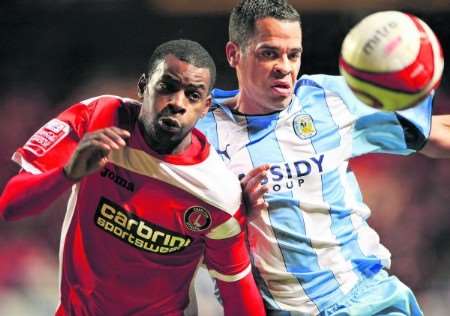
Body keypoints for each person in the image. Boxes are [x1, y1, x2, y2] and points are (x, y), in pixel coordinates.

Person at [196, 1, 450, 315]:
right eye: (269, 53)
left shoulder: (329, 98)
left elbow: (437, 134)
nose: (284, 67)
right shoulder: (199, 132)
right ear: (234, 54)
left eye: (293, 54)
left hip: (368, 300)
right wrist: (234, 212)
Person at [0, 39, 265, 316]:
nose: (177, 102)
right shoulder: (97, 118)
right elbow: (11, 206)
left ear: (206, 106)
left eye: (193, 95)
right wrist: (68, 174)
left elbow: (238, 292)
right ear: (143, 87)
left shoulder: (219, 193)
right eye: (167, 87)